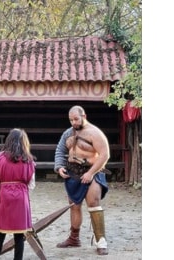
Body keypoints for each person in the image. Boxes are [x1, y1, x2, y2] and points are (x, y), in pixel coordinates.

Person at [54, 105, 110, 255]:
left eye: (76, 119)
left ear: (84, 116)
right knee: (74, 205)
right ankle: (74, 239)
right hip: (73, 173)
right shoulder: (68, 133)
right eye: (71, 120)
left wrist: (91, 173)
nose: (73, 122)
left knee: (93, 203)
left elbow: (104, 155)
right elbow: (60, 150)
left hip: (92, 172)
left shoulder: (95, 133)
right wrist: (59, 167)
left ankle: (101, 242)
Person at [0, 128, 36, 260]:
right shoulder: (28, 159)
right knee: (19, 236)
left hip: (4, 195)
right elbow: (31, 183)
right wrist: (23, 193)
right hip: (21, 197)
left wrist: (3, 193)